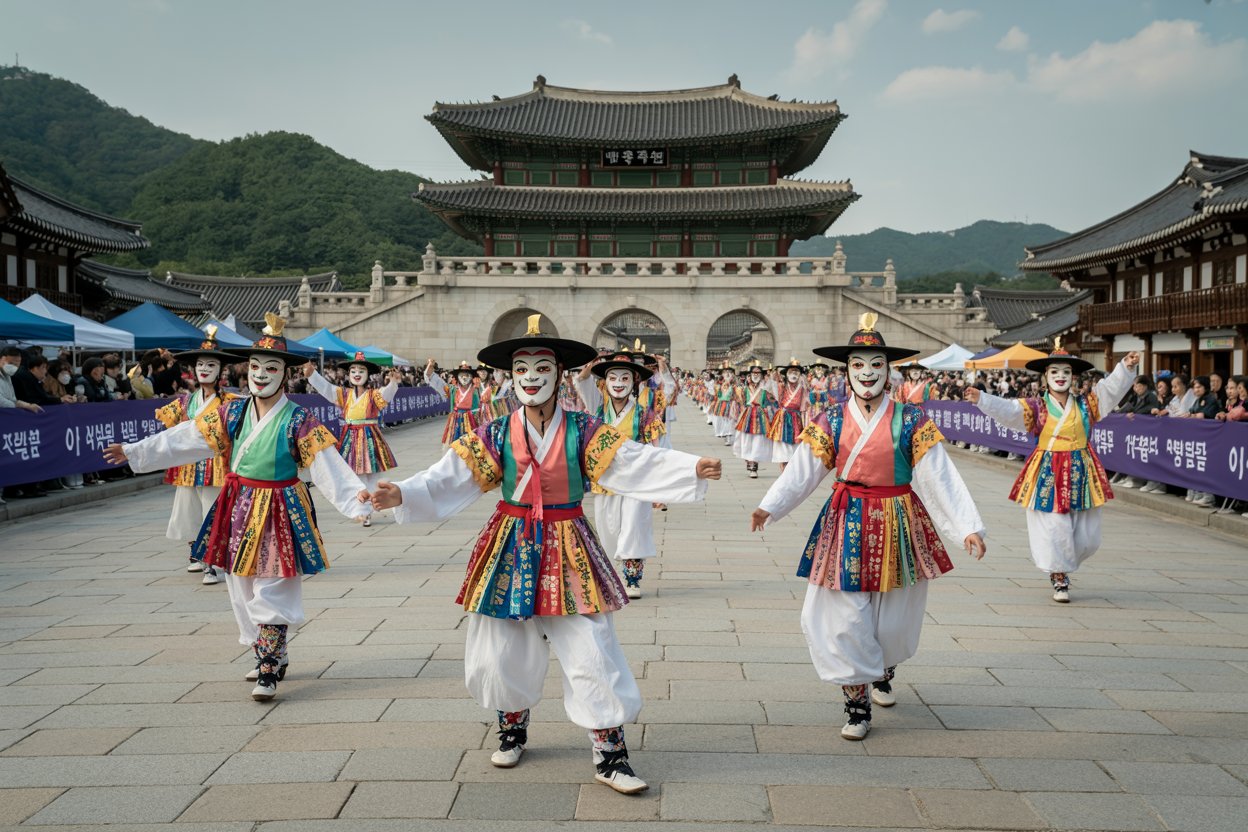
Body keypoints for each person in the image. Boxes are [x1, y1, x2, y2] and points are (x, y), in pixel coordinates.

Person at [370, 315, 721, 795]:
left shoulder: (583, 428)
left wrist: (689, 468)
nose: (531, 377)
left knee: (591, 646)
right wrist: (404, 495)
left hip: (568, 538)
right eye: (521, 369)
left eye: (541, 368)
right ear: (511, 378)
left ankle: (609, 752)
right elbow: (450, 474)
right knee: (502, 644)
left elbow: (633, 459)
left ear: (560, 375)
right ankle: (511, 725)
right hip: (510, 541)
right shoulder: (495, 432)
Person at [104, 314, 372, 702]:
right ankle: (265, 650)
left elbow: (326, 462)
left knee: (275, 581)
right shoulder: (232, 412)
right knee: (240, 584)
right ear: (247, 371)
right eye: (256, 367)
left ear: (285, 374)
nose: (262, 375)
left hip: (280, 504)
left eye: (272, 368)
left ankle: (268, 667)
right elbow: (185, 436)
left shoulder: (299, 419)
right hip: (239, 504)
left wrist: (354, 499)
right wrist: (135, 451)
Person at [750, 313, 985, 741]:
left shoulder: (911, 419)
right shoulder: (831, 418)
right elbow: (804, 471)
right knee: (842, 614)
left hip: (898, 514)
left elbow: (938, 475)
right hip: (847, 517)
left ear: (888, 370)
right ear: (847, 372)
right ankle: (856, 701)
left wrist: (966, 525)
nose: (867, 373)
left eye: (876, 364)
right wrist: (770, 506)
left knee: (893, 616)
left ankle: (882, 665)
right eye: (858, 365)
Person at [967, 340, 1139, 603]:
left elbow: (1110, 391)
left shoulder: (1087, 404)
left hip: (1081, 468)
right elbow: (1010, 411)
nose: (1060, 376)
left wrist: (1125, 368)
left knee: (1088, 535)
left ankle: (1065, 560)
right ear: (1046, 377)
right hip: (1048, 469)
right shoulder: (1036, 407)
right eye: (1054, 372)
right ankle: (1059, 574)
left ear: (1073, 377)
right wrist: (983, 399)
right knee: (1054, 526)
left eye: (1066, 372)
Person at [575, 349, 668, 599]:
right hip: (605, 478)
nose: (619, 384)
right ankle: (611, 574)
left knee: (634, 526)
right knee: (608, 529)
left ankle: (632, 579)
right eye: (613, 378)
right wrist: (592, 364)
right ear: (604, 383)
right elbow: (582, 382)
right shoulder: (597, 407)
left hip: (635, 480)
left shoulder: (644, 414)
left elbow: (657, 449)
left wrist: (658, 483)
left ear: (634, 382)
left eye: (625, 378)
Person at [153, 327, 239, 585]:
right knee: (188, 511)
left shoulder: (230, 402)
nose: (204, 369)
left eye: (211, 364)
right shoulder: (185, 402)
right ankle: (196, 553)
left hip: (217, 464)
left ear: (221, 370)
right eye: (200, 364)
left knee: (213, 510)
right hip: (190, 465)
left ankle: (212, 561)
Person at [305, 352, 402, 527]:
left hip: (369, 435)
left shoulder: (374, 395)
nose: (357, 374)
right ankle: (361, 508)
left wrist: (393, 383)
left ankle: (369, 508)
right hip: (350, 436)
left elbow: (387, 394)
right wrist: (313, 375)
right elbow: (326, 388)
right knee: (352, 474)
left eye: (361, 370)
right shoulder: (344, 394)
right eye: (353, 371)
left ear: (367, 374)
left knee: (370, 474)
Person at [733, 360, 776, 478]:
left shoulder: (765, 390)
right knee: (746, 440)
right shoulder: (744, 389)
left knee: (758, 440)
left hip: (760, 416)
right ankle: (749, 461)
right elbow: (739, 402)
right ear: (750, 375)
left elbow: (773, 401)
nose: (756, 375)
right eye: (754, 373)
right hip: (747, 415)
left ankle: (754, 465)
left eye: (758, 373)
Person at [427, 359, 480, 445]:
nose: (464, 377)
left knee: (472, 445)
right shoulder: (453, 389)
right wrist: (430, 367)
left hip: (472, 420)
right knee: (456, 445)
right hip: (456, 420)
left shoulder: (476, 389)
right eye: (462, 375)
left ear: (471, 376)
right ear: (457, 376)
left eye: (467, 375)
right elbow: (439, 383)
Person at [768, 358, 809, 470]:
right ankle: (783, 471)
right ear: (786, 374)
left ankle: (792, 472)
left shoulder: (803, 388)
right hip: (782, 418)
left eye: (796, 372)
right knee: (782, 448)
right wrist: (774, 373)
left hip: (796, 418)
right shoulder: (781, 386)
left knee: (795, 447)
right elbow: (771, 390)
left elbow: (806, 406)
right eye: (791, 372)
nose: (794, 374)